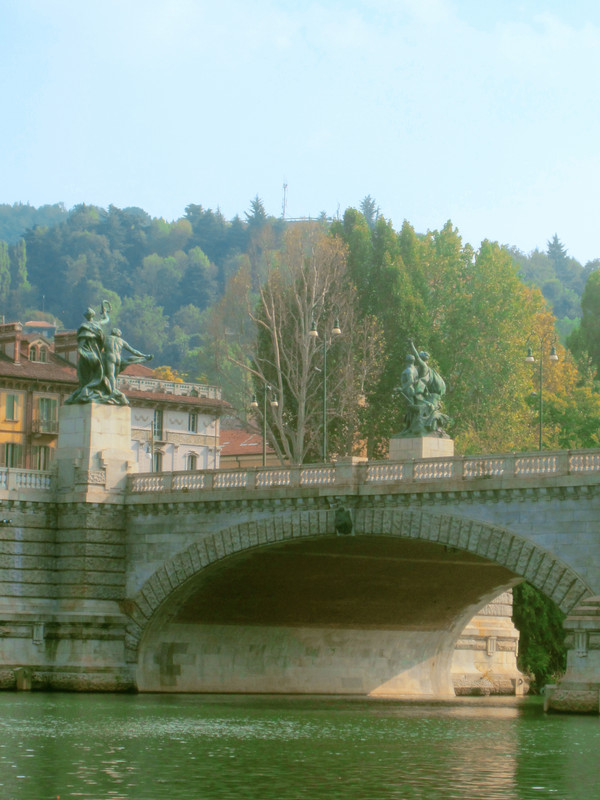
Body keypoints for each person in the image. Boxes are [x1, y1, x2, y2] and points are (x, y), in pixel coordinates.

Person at [66, 302, 111, 404]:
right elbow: (106, 320)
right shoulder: (96, 324)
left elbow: (81, 342)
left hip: (89, 351)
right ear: (92, 316)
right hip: (93, 350)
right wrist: (105, 313)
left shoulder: (85, 326)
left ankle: (89, 389)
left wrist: (81, 351)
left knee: (88, 371)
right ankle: (89, 389)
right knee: (94, 370)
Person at [102, 328, 152, 404]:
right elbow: (133, 351)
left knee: (110, 375)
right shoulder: (121, 341)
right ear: (118, 334)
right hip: (118, 358)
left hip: (110, 356)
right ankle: (113, 390)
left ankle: (112, 391)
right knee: (115, 376)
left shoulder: (106, 338)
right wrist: (144, 355)